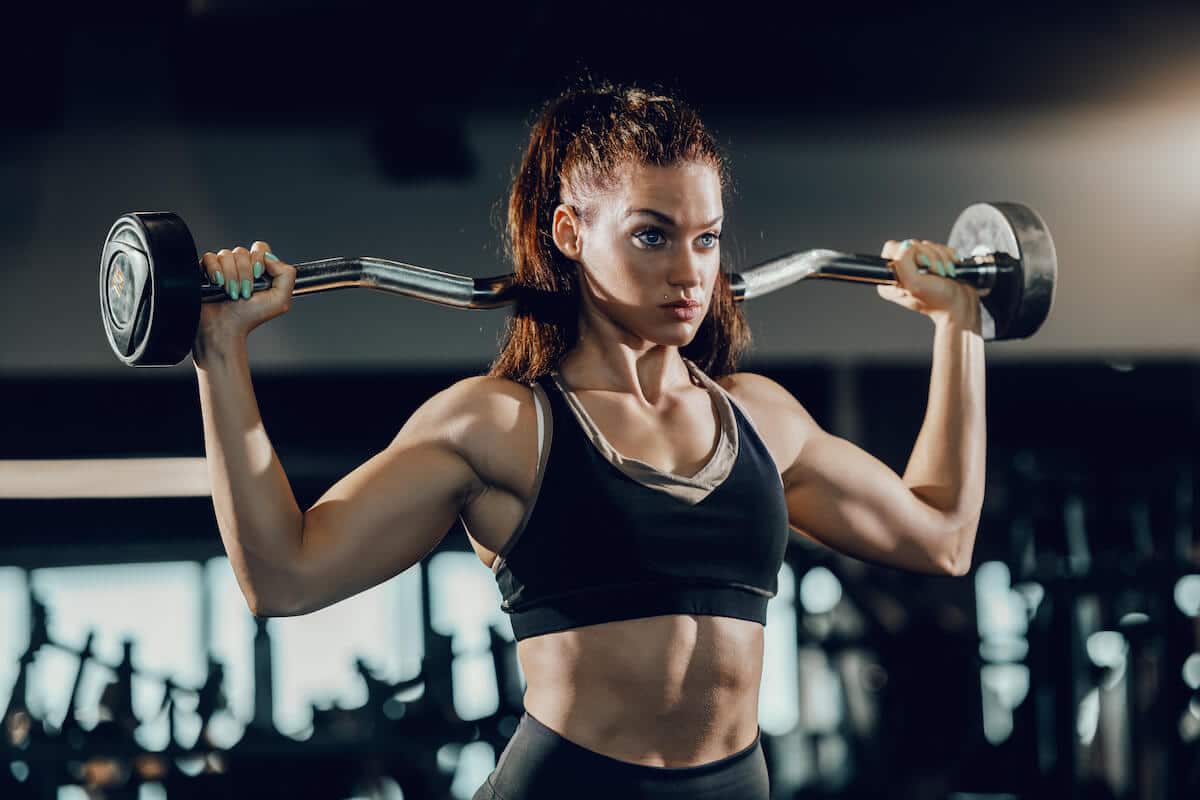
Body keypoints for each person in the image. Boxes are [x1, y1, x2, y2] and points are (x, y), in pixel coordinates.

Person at [192, 81, 986, 799]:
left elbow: (943, 536)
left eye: (706, 238)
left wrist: (961, 327)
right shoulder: (500, 426)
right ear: (570, 232)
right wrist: (220, 353)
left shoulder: (760, 420)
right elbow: (284, 576)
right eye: (652, 235)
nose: (690, 272)